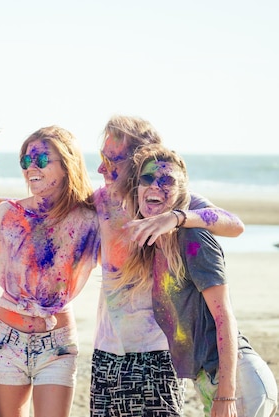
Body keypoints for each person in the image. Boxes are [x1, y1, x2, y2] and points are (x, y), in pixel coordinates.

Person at [90, 115, 245, 417]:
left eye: (112, 160)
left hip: (158, 355)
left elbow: (234, 224)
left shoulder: (172, 200)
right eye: (101, 159)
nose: (101, 168)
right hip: (105, 355)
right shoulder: (101, 202)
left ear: (138, 162)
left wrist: (175, 218)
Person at [119, 144, 278, 417]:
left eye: (166, 181)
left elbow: (224, 318)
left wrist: (226, 395)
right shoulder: (155, 246)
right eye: (147, 179)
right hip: (208, 380)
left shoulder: (193, 240)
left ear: (181, 193)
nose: (155, 186)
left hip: (237, 382)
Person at [0, 126, 100, 417]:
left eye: (41, 160)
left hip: (57, 344)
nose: (31, 168)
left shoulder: (89, 221)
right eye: (25, 161)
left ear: (67, 164)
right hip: (4, 341)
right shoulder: (6, 216)